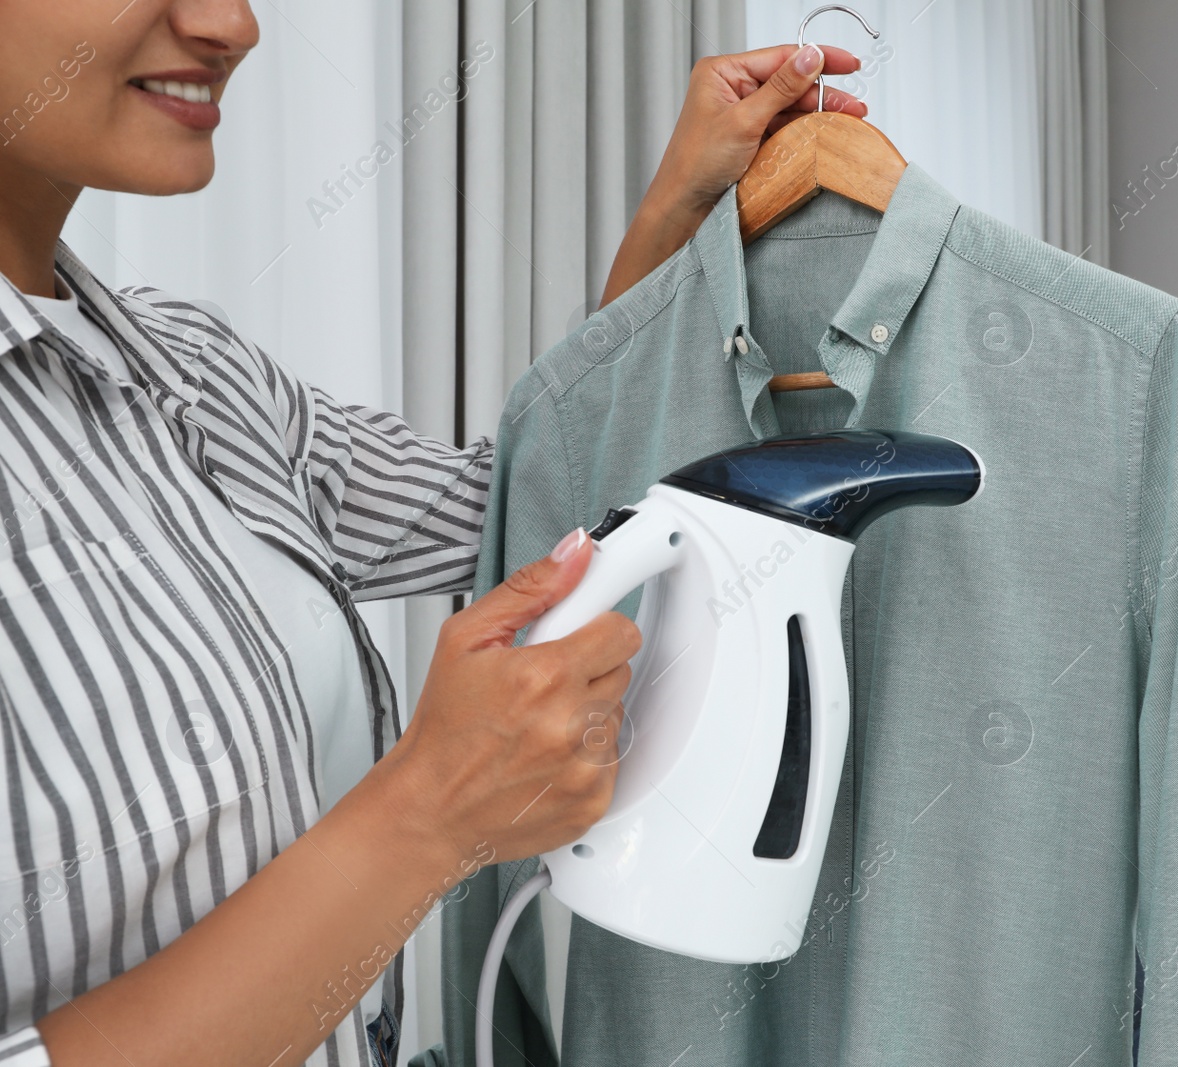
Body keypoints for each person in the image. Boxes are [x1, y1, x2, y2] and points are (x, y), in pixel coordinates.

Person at [0, 2, 868, 1064]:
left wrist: (673, 211)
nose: (231, 24)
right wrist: (431, 808)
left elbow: (530, 514)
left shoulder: (194, 371)